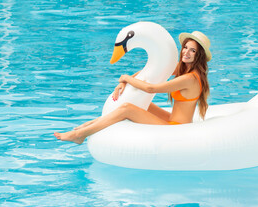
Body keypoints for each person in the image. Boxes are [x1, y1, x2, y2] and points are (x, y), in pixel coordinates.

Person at [54, 31, 212, 144]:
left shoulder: (190, 78)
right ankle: (85, 125)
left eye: (193, 50)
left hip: (177, 128)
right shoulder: (185, 69)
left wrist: (126, 77)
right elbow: (148, 72)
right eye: (185, 48)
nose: (186, 52)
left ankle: (80, 134)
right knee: (139, 102)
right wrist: (124, 82)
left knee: (127, 108)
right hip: (172, 119)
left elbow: (151, 89)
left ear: (199, 55)